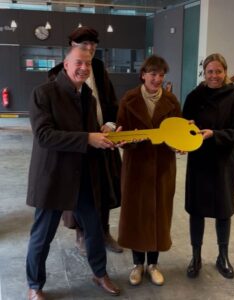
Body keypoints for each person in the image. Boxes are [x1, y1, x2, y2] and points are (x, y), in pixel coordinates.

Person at [26, 46, 120, 300]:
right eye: (79, 62)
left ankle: (99, 273)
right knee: (42, 235)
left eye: (88, 64)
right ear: (65, 65)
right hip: (53, 178)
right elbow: (45, 136)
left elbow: (90, 133)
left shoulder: (87, 94)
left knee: (94, 229)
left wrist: (105, 137)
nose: (84, 68)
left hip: (83, 178)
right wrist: (89, 138)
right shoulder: (43, 94)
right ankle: (35, 285)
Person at [48, 26, 123, 254]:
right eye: (83, 45)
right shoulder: (57, 74)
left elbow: (110, 100)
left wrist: (110, 124)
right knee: (80, 192)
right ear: (72, 48)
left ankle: (104, 231)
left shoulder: (98, 67)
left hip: (104, 136)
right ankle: (82, 233)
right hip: (79, 143)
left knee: (106, 186)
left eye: (92, 46)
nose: (89, 50)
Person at [116, 55, 182, 287]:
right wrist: (131, 139)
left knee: (159, 214)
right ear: (143, 74)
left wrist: (182, 143)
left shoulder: (172, 101)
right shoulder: (129, 99)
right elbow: (120, 131)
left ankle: (153, 264)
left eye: (161, 75)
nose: (157, 79)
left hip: (163, 166)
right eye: (153, 74)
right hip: (136, 165)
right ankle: (137, 264)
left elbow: (178, 132)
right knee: (136, 214)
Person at [182, 53, 234, 280]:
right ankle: (196, 256)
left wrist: (214, 134)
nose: (214, 76)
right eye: (210, 71)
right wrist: (186, 130)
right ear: (204, 73)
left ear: (225, 72)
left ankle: (223, 256)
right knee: (196, 209)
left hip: (223, 163)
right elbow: (184, 127)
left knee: (223, 210)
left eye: (218, 71)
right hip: (199, 161)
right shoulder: (193, 97)